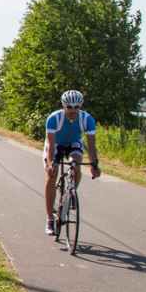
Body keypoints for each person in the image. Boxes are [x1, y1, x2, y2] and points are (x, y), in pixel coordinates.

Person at [44, 90, 100, 235]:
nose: (73, 110)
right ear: (64, 106)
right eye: (69, 107)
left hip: (74, 143)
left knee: (76, 164)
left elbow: (91, 145)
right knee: (52, 174)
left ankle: (71, 191)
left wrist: (94, 165)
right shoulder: (54, 118)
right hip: (56, 145)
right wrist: (50, 163)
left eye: (77, 107)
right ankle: (50, 218)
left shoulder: (87, 119)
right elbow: (50, 145)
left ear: (81, 105)